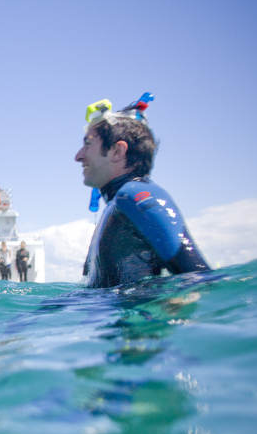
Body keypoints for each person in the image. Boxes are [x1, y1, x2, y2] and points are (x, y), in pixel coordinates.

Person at [75, 93, 209, 288]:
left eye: (87, 144)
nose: (78, 156)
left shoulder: (134, 196)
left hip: (136, 316)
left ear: (117, 151)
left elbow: (200, 279)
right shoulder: (118, 206)